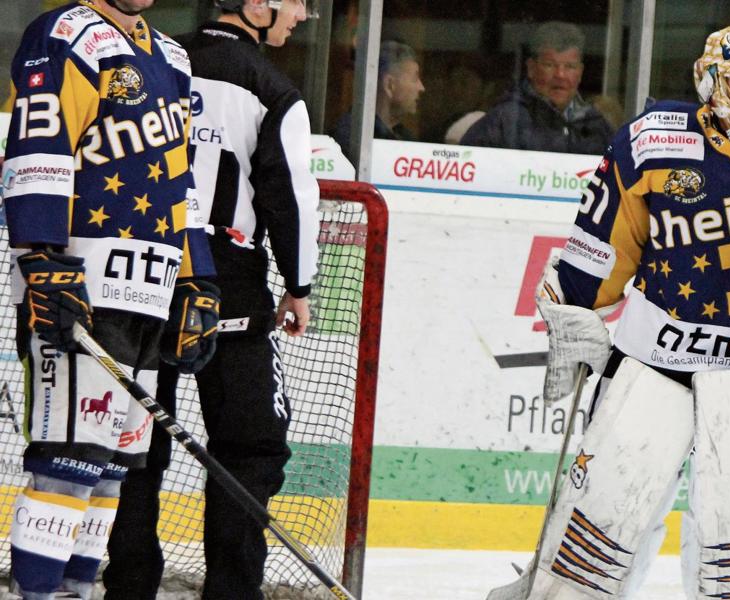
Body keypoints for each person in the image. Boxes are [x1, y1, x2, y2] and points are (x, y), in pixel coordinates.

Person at [487, 26, 730, 600]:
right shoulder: (652, 140)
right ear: (710, 83)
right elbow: (606, 237)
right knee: (605, 512)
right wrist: (574, 306)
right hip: (654, 354)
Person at [101, 1, 320, 598]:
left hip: (138, 272)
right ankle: (232, 591)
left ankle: (128, 585)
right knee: (250, 447)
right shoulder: (271, 87)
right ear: (255, 5)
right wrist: (299, 286)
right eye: (295, 1)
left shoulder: (150, 59)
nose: (302, 14)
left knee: (135, 442)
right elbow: (290, 196)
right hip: (227, 276)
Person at [2, 0, 219, 597]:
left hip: (151, 285)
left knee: (109, 473)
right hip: (82, 281)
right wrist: (42, 257)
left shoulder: (170, 56)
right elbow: (40, 139)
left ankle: (72, 591)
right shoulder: (66, 32)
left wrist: (197, 278)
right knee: (67, 462)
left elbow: (181, 178)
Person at [461, 21, 613, 155]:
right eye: (549, 65)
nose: (560, 75)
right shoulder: (504, 121)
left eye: (570, 67)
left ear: (580, 73)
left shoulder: (598, 127)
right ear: (531, 69)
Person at [331, 39, 425, 150]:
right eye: (414, 78)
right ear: (389, 85)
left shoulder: (405, 138)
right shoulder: (352, 136)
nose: (421, 88)